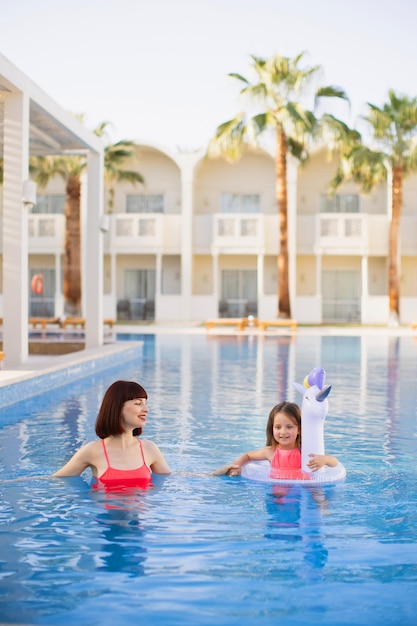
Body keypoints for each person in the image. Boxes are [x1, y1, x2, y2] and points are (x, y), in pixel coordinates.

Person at [53, 380, 171, 489]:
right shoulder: (92, 451)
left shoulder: (149, 449)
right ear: (118, 407)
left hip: (140, 511)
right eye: (138, 403)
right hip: (103, 510)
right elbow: (58, 480)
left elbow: (169, 478)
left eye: (145, 403)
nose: (146, 409)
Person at [212, 401, 338, 477]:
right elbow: (248, 456)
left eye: (289, 427)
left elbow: (334, 463)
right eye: (278, 427)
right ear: (271, 428)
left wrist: (325, 459)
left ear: (299, 429)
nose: (283, 432)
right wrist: (238, 465)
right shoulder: (270, 452)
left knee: (318, 498)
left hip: (303, 490)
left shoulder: (304, 451)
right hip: (278, 493)